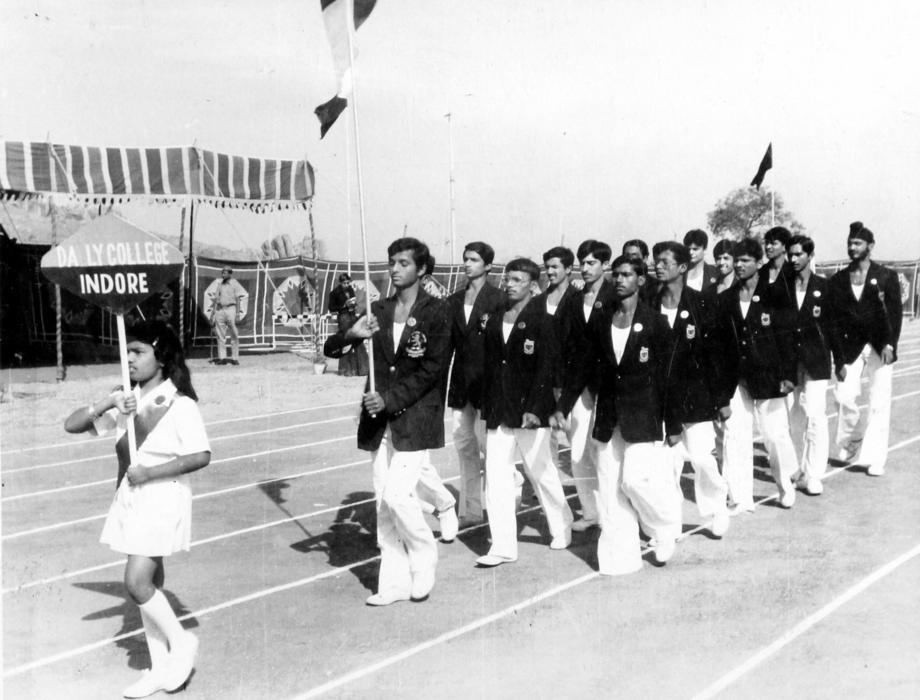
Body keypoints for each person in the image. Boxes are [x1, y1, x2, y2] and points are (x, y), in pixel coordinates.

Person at [64, 321, 210, 698]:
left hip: (162, 496)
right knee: (151, 584)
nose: (128, 358)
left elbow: (200, 455)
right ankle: (159, 667)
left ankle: (181, 642)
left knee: (136, 583)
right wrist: (108, 403)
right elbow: (71, 425)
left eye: (138, 352)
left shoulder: (179, 402)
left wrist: (149, 472)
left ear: (161, 357)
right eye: (127, 351)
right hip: (131, 498)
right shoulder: (125, 398)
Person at [323, 237, 450, 605]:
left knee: (398, 496)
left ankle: (424, 559)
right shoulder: (378, 309)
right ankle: (393, 583)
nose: (394, 269)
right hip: (379, 422)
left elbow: (431, 370)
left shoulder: (437, 311)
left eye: (403, 263)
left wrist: (389, 399)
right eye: (392, 262)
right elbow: (332, 350)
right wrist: (352, 334)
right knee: (383, 503)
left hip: (415, 418)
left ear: (421, 269)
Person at [557, 254, 678, 571]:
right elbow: (582, 365)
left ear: (641, 280)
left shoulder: (656, 323)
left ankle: (663, 528)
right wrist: (562, 406)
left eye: (627, 275)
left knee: (635, 481)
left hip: (643, 415)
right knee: (609, 488)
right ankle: (619, 559)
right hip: (608, 415)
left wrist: (674, 423)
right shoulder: (601, 320)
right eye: (617, 275)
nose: (620, 280)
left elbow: (669, 378)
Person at [476, 258, 573, 567]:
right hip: (498, 408)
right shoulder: (495, 317)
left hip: (530, 410)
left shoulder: (544, 320)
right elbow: (489, 363)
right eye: (508, 278)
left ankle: (561, 524)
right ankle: (503, 545)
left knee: (540, 471)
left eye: (517, 280)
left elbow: (547, 368)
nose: (509, 284)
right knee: (496, 475)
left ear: (533, 285)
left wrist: (534, 408)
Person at [651, 241, 731, 538]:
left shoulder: (702, 304)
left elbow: (716, 355)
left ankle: (716, 509)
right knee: (667, 464)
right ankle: (670, 524)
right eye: (656, 261)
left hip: (697, 397)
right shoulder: (649, 303)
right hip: (661, 400)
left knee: (701, 459)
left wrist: (721, 399)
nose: (658, 266)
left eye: (665, 262)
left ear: (682, 267)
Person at [718, 238, 799, 512]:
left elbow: (787, 338)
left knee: (774, 436)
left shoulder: (776, 295)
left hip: (769, 377)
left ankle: (785, 486)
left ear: (758, 262)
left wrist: (788, 374)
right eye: (737, 260)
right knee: (735, 436)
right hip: (736, 379)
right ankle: (740, 497)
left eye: (746, 260)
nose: (739, 265)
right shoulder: (725, 299)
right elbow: (720, 345)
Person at [549, 240, 617, 532]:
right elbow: (565, 345)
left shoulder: (616, 296)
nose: (585, 268)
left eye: (591, 263)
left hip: (610, 385)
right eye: (582, 263)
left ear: (605, 265)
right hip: (579, 384)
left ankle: (617, 513)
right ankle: (591, 512)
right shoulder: (574, 301)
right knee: (578, 452)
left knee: (608, 453)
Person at [827, 222, 902, 476]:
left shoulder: (886, 276)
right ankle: (854, 436)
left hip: (880, 346)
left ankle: (875, 458)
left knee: (879, 401)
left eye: (857, 243)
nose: (852, 247)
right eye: (850, 243)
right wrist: (838, 358)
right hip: (850, 347)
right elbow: (833, 321)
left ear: (870, 246)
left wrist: (891, 344)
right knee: (843, 396)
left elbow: (895, 314)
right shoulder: (838, 280)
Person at [445, 242, 504, 528]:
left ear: (488, 265)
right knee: (463, 444)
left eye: (474, 260)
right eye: (466, 259)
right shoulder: (454, 300)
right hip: (461, 382)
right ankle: (470, 510)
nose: (468, 264)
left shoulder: (498, 298)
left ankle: (508, 494)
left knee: (490, 447)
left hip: (487, 382)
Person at [786, 235, 833, 495]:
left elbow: (833, 326)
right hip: (792, 362)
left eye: (798, 254)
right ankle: (798, 469)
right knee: (795, 418)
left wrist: (841, 360)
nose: (793, 259)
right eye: (791, 254)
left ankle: (814, 474)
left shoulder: (823, 287)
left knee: (815, 416)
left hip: (816, 361)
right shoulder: (784, 286)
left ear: (810, 256)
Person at [329, 272, 369, 377]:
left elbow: (353, 301)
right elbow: (331, 308)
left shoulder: (350, 289)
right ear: (340, 283)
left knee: (358, 340)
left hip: (352, 316)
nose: (347, 285)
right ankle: (346, 369)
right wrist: (343, 305)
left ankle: (362, 369)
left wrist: (353, 304)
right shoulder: (334, 293)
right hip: (343, 318)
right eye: (345, 283)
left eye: (348, 282)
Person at [207, 267, 249, 365]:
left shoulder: (235, 284)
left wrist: (237, 314)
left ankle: (235, 358)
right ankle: (222, 358)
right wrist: (212, 314)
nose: (223, 275)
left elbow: (238, 299)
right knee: (220, 335)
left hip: (231, 309)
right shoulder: (220, 285)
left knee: (234, 334)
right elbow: (215, 300)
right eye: (222, 273)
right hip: (220, 310)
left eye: (225, 273)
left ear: (230, 274)